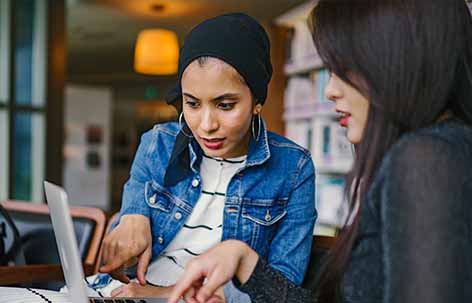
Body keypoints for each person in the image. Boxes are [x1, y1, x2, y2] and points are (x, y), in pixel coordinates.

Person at [168, 1, 472, 302]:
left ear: (399, 59)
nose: (330, 90)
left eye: (345, 69)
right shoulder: (440, 151)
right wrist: (245, 261)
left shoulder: (426, 158)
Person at [97, 13, 317, 301]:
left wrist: (166, 294)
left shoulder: (294, 168)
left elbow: (281, 289)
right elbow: (136, 193)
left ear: (257, 102)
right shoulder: (158, 143)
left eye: (225, 105)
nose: (206, 125)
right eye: (192, 103)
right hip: (123, 292)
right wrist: (132, 215)